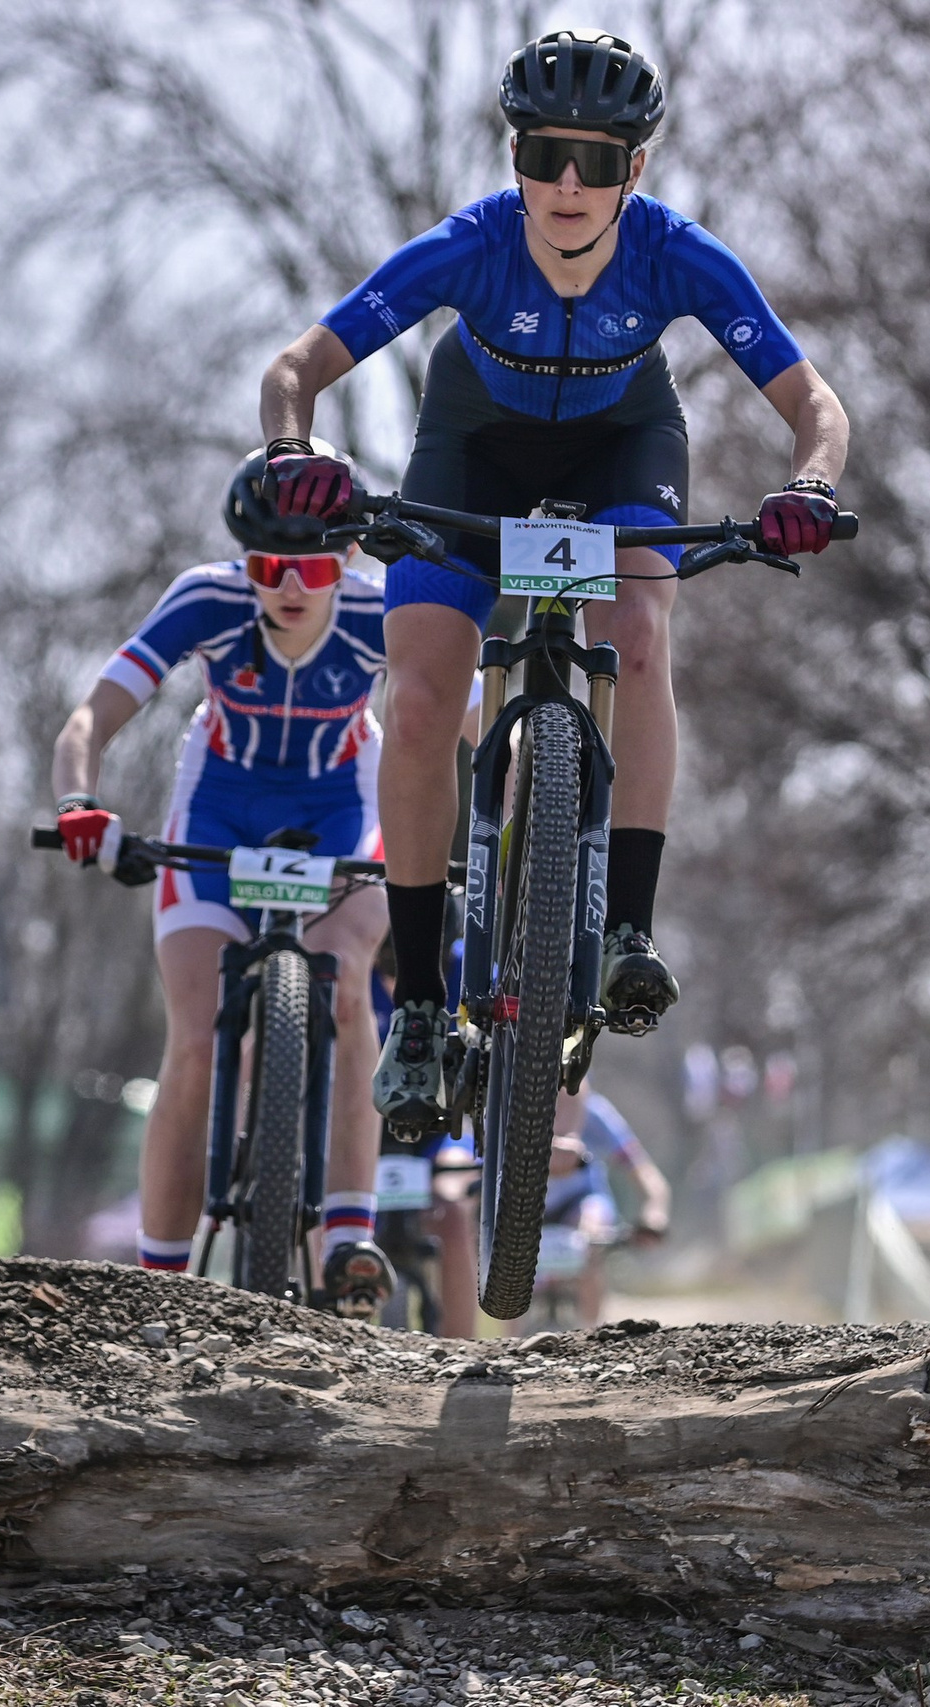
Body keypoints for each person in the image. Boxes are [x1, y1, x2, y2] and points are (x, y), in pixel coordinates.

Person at [255, 29, 851, 1132]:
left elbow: (816, 407)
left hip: (622, 443)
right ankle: (424, 1006)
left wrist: (808, 485)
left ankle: (625, 928)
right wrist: (295, 456)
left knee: (642, 632)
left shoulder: (678, 255)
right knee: (425, 697)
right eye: (542, 155)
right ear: (514, 155)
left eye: (596, 158)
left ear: (638, 166)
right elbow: (296, 370)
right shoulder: (469, 246)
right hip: (472, 447)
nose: (566, 185)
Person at [49, 453, 394, 1314]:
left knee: (348, 989)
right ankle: (158, 1283)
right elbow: (91, 715)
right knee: (197, 1039)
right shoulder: (207, 597)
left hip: (341, 811)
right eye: (264, 565)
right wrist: (80, 803)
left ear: (345, 560)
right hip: (218, 812)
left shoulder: (381, 610)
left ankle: (349, 1233)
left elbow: (465, 712)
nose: (284, 584)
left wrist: (515, 823)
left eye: (309, 565)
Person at [523, 1080, 672, 1331]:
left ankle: (589, 1333)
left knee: (590, 1234)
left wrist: (654, 1214)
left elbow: (644, 1171)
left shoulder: (595, 1113)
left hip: (581, 1202)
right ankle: (510, 1346)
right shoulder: (509, 1109)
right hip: (526, 1207)